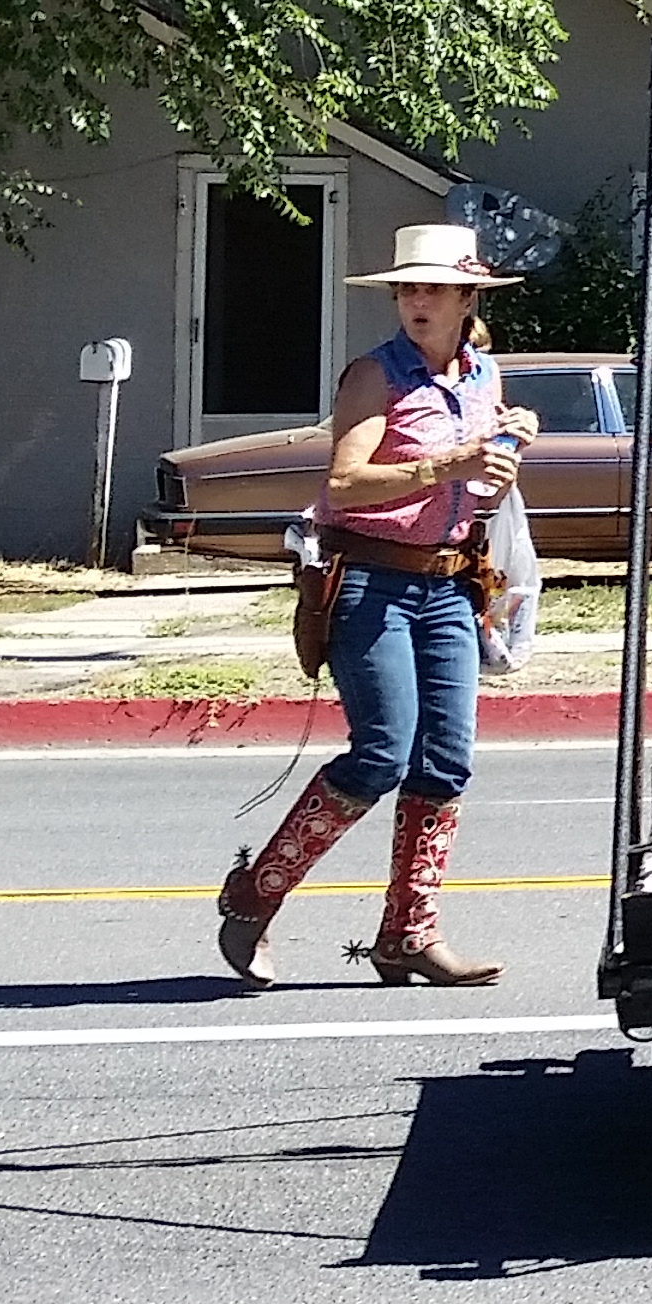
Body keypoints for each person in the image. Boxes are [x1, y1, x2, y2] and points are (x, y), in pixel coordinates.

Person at [211, 222, 536, 987]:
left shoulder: (483, 377)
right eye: (407, 289)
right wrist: (448, 464)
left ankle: (408, 934)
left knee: (445, 760)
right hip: (372, 580)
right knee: (382, 752)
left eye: (434, 289)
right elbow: (345, 484)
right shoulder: (374, 375)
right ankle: (256, 895)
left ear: (467, 299)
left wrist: (506, 450)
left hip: (449, 582)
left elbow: (481, 479)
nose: (418, 301)